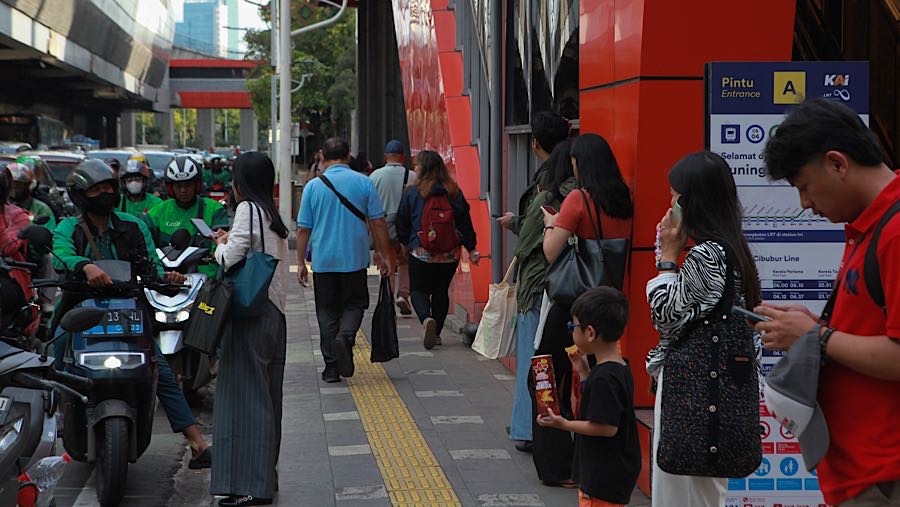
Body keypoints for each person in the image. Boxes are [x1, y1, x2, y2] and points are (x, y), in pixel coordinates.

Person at [756, 98, 900, 507]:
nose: (805, 204)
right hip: (863, 474)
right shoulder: (868, 228)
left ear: (838, 163)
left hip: (885, 476)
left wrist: (816, 336)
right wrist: (811, 328)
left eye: (803, 187)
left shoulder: (894, 231)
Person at [51, 159, 212, 469]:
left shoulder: (132, 224)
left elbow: (150, 263)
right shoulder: (69, 227)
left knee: (160, 370)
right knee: (57, 349)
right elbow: (61, 253)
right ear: (81, 194)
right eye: (97, 189)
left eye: (109, 187)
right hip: (79, 308)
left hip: (127, 309)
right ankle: (57, 420)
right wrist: (84, 265)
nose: (105, 193)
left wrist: (168, 277)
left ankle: (197, 443)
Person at [644, 151, 761, 507]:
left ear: (691, 201)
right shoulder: (732, 247)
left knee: (683, 494)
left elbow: (665, 315)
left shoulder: (708, 254)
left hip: (693, 392)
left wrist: (666, 257)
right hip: (710, 390)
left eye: (675, 195)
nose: (670, 203)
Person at [540, 133, 633, 487]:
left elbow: (551, 251)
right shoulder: (622, 198)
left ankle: (557, 466)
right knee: (597, 382)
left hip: (574, 307)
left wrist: (552, 222)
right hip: (608, 303)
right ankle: (588, 464)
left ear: (581, 164)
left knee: (549, 377)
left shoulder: (578, 198)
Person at [210, 152, 290, 507]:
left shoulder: (246, 210)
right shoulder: (271, 214)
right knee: (268, 398)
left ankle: (251, 488)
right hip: (274, 313)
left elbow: (231, 258)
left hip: (250, 315)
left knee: (248, 399)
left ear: (240, 182)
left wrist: (219, 246)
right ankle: (263, 479)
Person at [498, 111, 570, 453]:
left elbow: (529, 242)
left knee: (534, 358)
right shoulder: (574, 182)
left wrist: (516, 224)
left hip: (539, 284)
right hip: (565, 286)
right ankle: (542, 425)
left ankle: (529, 427)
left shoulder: (551, 185)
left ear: (535, 143)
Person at [296, 137, 392, 383]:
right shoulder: (364, 182)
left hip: (324, 261)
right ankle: (346, 337)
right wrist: (383, 253)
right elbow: (378, 222)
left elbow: (303, 229)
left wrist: (300, 263)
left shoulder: (313, 187)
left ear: (322, 157)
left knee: (327, 313)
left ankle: (330, 368)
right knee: (354, 305)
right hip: (355, 259)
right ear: (348, 156)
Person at [536, 287, 640, 507]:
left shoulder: (604, 378)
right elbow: (605, 407)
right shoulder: (618, 368)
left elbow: (607, 427)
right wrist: (584, 374)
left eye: (572, 326)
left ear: (590, 333)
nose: (570, 332)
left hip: (603, 478)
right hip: (611, 473)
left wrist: (564, 424)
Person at [395, 150, 479, 349]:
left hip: (422, 252)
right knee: (441, 292)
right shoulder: (453, 191)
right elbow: (464, 221)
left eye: (417, 165)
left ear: (423, 168)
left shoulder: (413, 192)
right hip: (449, 253)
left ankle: (426, 320)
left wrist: (405, 242)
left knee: (418, 290)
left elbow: (402, 221)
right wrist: (472, 247)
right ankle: (438, 333)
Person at [146, 156, 229, 278]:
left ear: (197, 185)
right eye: (178, 186)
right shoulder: (156, 213)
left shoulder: (215, 209)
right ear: (171, 187)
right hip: (166, 280)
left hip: (205, 283)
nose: (183, 190)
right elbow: (147, 248)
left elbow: (221, 247)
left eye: (188, 185)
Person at [369, 140, 416, 315]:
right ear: (403, 157)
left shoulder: (375, 176)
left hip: (383, 226)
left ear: (385, 156)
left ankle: (388, 298)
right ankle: (403, 295)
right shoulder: (412, 176)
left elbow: (368, 206)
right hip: (407, 227)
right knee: (405, 262)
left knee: (388, 261)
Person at [8, 162, 56, 228]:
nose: (14, 188)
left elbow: (48, 232)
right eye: (11, 185)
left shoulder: (41, 209)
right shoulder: (2, 209)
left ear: (28, 186)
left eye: (18, 185)